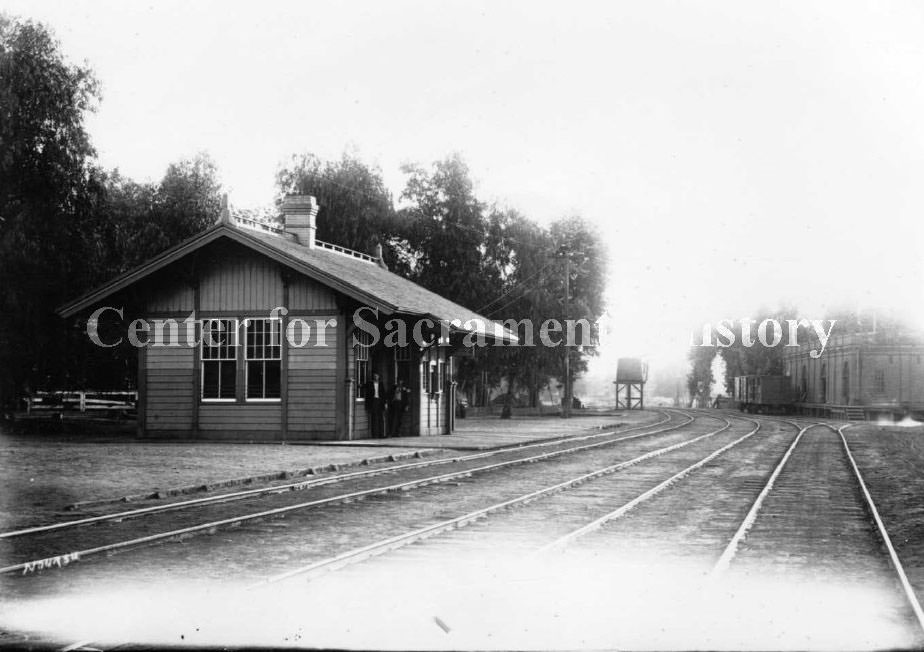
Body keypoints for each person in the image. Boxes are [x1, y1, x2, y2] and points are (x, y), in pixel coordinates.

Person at [364, 372, 385, 438]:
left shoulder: (381, 384)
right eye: (374, 376)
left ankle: (381, 434)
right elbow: (366, 389)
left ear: (379, 377)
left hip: (380, 401)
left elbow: (383, 394)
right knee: (375, 418)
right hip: (374, 401)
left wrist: (385, 403)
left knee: (381, 418)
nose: (376, 377)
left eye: (377, 376)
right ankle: (375, 434)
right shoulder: (370, 384)